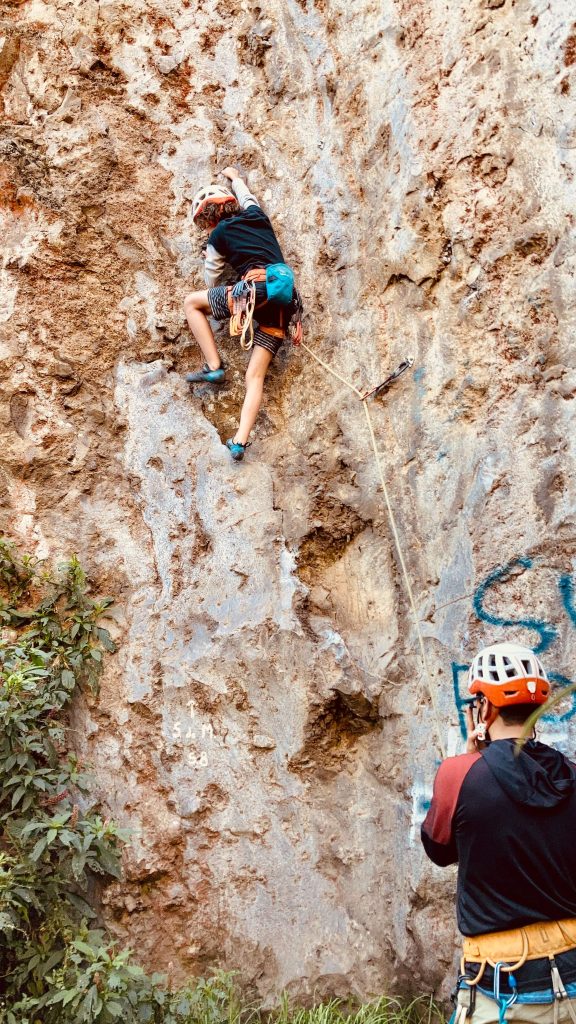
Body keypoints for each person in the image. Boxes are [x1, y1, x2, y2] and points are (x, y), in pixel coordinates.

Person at [421, 641, 576, 1024]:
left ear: (485, 708)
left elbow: (440, 850)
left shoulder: (458, 774)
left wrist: (471, 758)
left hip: (497, 983)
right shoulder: (571, 774)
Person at [183, 166, 299, 462]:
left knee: (191, 303)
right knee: (254, 375)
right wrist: (235, 178)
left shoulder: (219, 235)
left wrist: (215, 249)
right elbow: (248, 198)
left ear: (208, 218)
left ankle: (213, 366)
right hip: (285, 304)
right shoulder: (258, 216)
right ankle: (239, 442)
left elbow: (211, 279)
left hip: (253, 293)